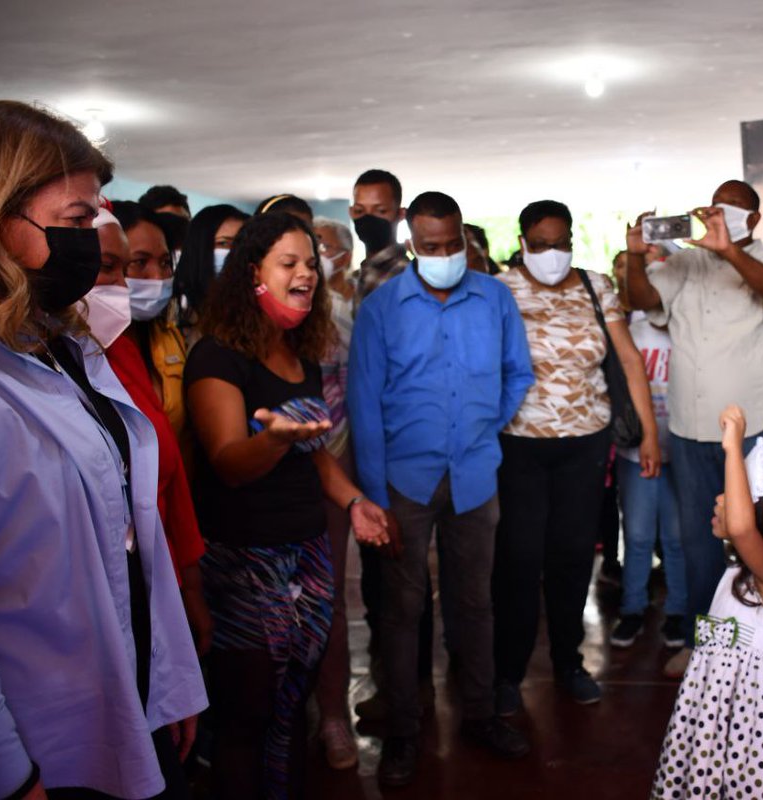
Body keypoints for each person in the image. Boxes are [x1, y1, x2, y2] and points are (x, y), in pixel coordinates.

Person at [0, 99, 206, 799]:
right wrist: (11, 777)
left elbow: (126, 536)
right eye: (75, 222)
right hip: (34, 741)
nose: (90, 241)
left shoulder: (61, 346)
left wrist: (167, 680)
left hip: (123, 689)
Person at [184, 211, 387, 797]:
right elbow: (228, 460)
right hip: (247, 564)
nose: (306, 274)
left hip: (308, 555)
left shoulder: (299, 356)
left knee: (292, 706)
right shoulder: (217, 357)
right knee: (247, 717)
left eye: (310, 264)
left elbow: (316, 453)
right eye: (289, 263)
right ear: (254, 273)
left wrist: (354, 503)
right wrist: (272, 440)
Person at [348, 191, 535, 787]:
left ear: (463, 237)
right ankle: (404, 728)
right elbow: (364, 404)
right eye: (431, 247)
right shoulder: (382, 309)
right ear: (411, 245)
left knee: (474, 603)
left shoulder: (495, 298)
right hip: (404, 480)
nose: (444, 254)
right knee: (403, 610)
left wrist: (484, 425)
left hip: (476, 476)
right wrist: (374, 495)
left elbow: (518, 373)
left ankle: (479, 714)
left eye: (452, 244)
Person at [624, 179, 763, 677]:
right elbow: (642, 298)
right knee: (700, 543)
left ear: (755, 220)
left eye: (736, 209)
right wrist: (635, 256)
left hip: (752, 429)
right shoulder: (684, 264)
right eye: (717, 206)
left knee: (760, 535)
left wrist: (729, 252)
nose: (724, 214)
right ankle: (711, 651)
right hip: (689, 427)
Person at [493, 200, 661, 713]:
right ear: (522, 242)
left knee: (571, 558)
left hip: (585, 444)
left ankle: (569, 662)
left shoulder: (595, 285)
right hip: (517, 445)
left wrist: (650, 434)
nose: (552, 253)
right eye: (541, 244)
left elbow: (630, 359)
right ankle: (508, 673)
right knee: (518, 561)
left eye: (561, 243)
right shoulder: (498, 290)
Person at [652, 405, 763, 798]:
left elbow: (739, 526)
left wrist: (734, 447)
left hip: (753, 716)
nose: (721, 499)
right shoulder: (738, 571)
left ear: (762, 519)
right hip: (716, 704)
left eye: (735, 495)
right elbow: (738, 526)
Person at [80, 203, 213, 655]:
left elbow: (168, 465)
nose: (130, 283)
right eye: (113, 267)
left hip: (161, 565)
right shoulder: (60, 363)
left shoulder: (127, 348)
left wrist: (190, 584)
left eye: (163, 263)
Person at [344, 168, 436, 727]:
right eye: (357, 210)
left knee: (400, 580)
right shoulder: (361, 275)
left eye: (376, 210)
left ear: (398, 215)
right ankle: (397, 685)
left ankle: (412, 694)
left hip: (403, 448)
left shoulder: (409, 276)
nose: (364, 219)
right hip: (368, 442)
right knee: (383, 583)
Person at [608, 249, 687, 649]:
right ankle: (633, 609)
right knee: (637, 535)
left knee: (676, 537)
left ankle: (678, 612)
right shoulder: (626, 331)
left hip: (680, 450)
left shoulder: (686, 328)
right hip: (636, 454)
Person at [309, 215, 360, 768]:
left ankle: (332, 718)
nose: (305, 268)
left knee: (328, 601)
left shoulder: (341, 318)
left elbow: (353, 395)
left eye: (312, 255)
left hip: (333, 462)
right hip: (268, 479)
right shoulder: (246, 325)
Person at [109, 201, 190, 445]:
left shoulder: (169, 336)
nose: (158, 277)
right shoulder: (92, 347)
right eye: (140, 262)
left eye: (165, 263)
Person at [174, 203, 249, 342]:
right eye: (224, 243)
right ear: (199, 249)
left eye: (243, 244)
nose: (236, 253)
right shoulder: (176, 313)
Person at [350, 168, 409, 298]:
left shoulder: (405, 276)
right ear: (351, 212)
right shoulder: (357, 277)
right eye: (360, 211)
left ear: (400, 214)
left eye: (381, 211)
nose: (368, 218)